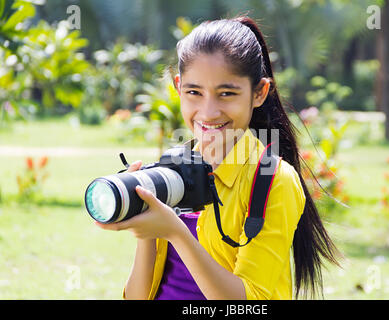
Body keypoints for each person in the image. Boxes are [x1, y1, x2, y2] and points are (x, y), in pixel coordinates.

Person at [96, 16, 341, 300]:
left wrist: (176, 232)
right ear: (178, 87)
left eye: (226, 93)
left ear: (260, 92)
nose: (209, 111)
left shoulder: (274, 182)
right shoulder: (173, 169)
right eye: (194, 92)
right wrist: (145, 226)